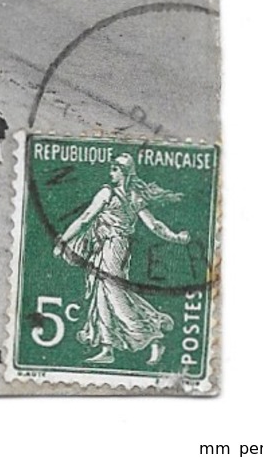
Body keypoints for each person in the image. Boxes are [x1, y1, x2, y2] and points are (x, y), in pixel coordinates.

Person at [54, 154, 189, 366]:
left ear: (123, 172)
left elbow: (85, 218)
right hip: (113, 247)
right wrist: (175, 237)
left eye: (114, 169)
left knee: (115, 295)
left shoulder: (107, 193)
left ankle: (154, 337)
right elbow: (155, 225)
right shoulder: (135, 196)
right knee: (104, 294)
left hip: (112, 247)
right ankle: (107, 348)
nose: (110, 173)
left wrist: (63, 241)